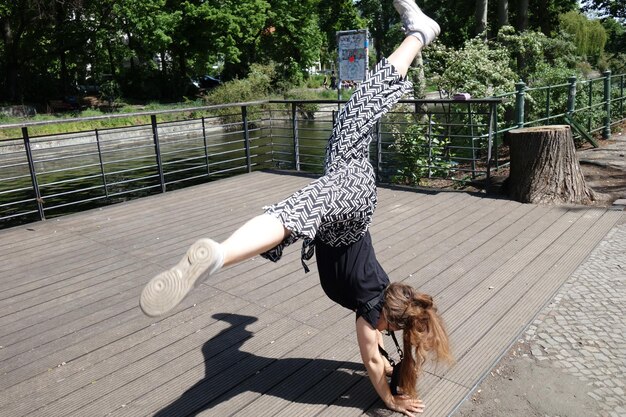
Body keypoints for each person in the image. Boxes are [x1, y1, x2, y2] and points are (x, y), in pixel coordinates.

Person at [140, 1, 452, 415]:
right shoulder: (370, 315)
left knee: (354, 115)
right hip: (351, 206)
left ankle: (418, 33)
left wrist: (399, 377)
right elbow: (374, 362)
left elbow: (386, 351)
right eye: (385, 329)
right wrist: (390, 399)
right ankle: (218, 256)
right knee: (304, 206)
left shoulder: (385, 305)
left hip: (345, 189)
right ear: (389, 322)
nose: (376, 335)